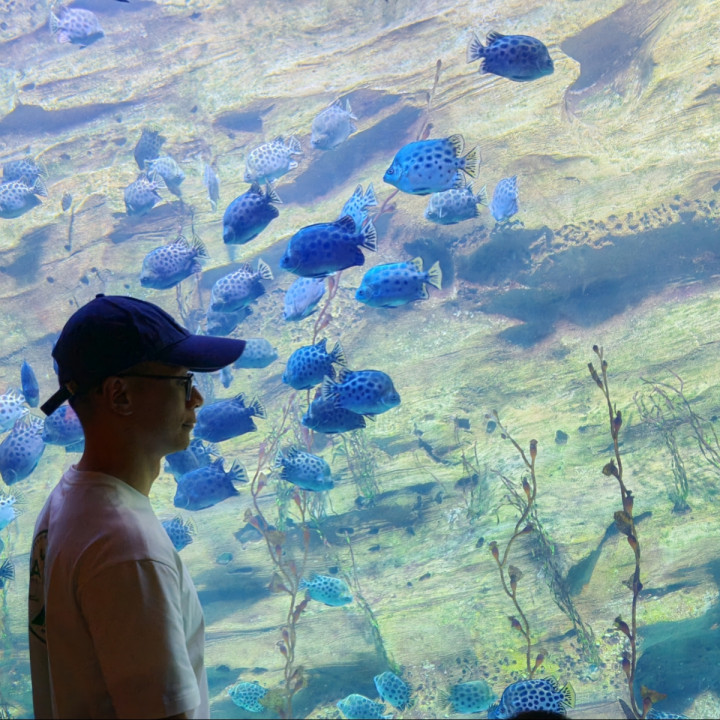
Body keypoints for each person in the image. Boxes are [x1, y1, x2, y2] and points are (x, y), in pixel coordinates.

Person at [28, 294, 246, 719]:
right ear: (120, 395)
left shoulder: (66, 502)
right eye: (183, 382)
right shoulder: (127, 549)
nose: (197, 398)